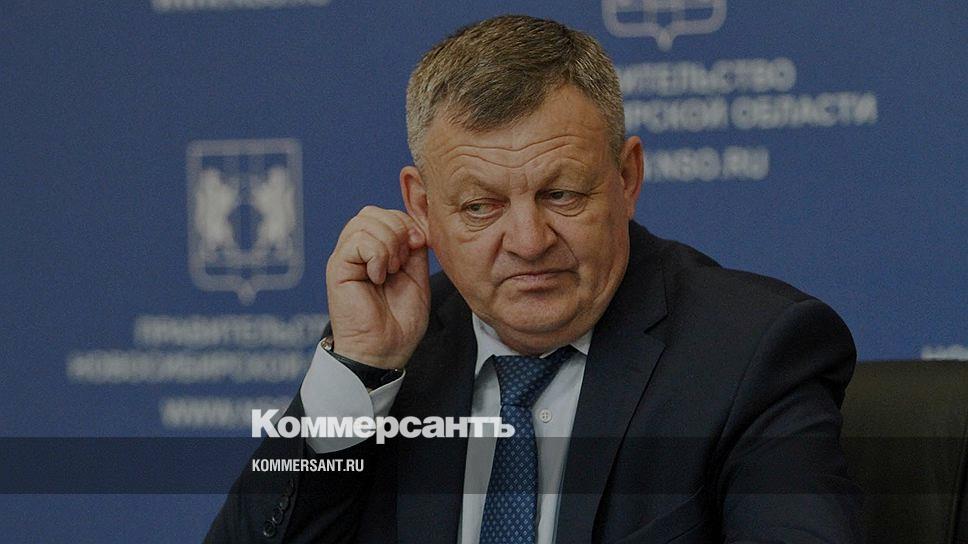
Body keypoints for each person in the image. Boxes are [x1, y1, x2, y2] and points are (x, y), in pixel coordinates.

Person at [207, 14, 862, 543]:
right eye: (480, 207)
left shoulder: (752, 353)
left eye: (562, 195)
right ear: (422, 208)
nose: (527, 241)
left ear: (627, 179)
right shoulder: (397, 356)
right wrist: (358, 373)